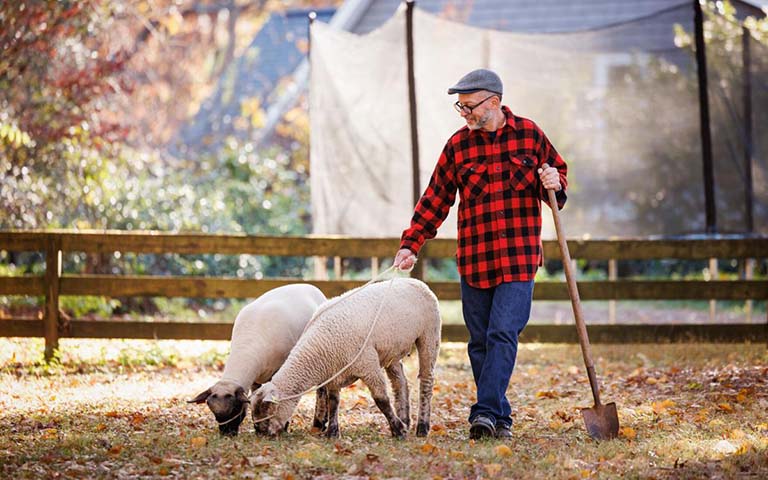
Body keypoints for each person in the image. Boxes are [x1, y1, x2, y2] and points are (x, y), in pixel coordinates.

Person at [393, 68, 568, 440]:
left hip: (519, 258)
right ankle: (498, 417)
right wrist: (411, 243)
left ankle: (484, 412)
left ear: (494, 103)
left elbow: (557, 173)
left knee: (503, 332)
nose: (464, 113)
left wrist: (555, 180)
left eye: (469, 106)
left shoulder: (530, 135)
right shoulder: (458, 146)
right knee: (479, 342)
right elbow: (436, 198)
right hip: (476, 259)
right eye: (461, 107)